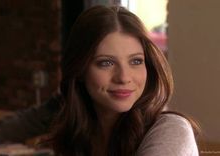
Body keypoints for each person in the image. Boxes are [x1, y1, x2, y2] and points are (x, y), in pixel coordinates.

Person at [46, 5, 199, 156]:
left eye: (136, 61)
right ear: (79, 70)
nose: (124, 77)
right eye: (106, 63)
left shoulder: (171, 130)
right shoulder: (74, 130)